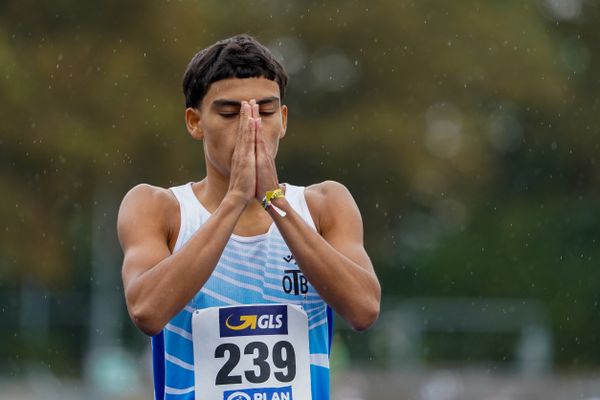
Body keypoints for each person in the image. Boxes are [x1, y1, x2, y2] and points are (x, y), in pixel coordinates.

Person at [117, 34, 380, 400]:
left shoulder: (324, 204)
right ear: (195, 122)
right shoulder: (158, 208)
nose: (249, 127)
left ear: (283, 120)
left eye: (266, 112)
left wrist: (274, 202)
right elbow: (147, 311)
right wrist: (236, 200)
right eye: (229, 114)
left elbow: (364, 309)